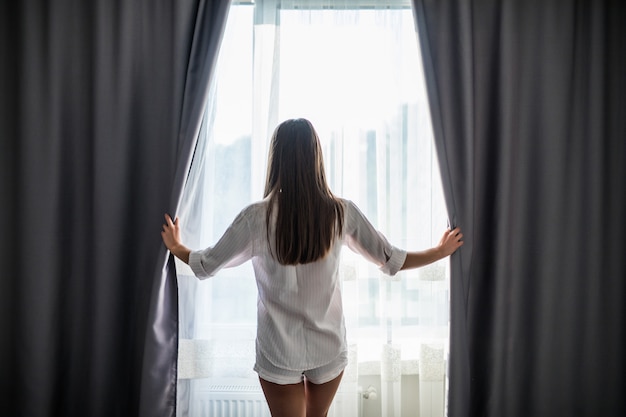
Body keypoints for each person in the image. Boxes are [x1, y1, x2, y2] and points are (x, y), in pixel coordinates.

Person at [161, 118, 463, 417]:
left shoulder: (256, 218)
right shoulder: (341, 213)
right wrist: (439, 251)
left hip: (278, 351)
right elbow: (391, 259)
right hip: (327, 347)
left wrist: (177, 248)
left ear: (276, 159)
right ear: (316, 158)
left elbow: (207, 264)